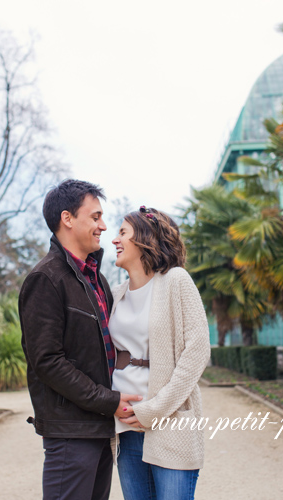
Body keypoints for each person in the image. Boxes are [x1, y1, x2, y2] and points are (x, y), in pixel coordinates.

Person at [18, 179, 142, 500]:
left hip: (100, 428)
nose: (103, 226)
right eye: (96, 216)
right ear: (67, 219)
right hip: (71, 432)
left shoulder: (96, 279)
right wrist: (109, 401)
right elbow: (47, 361)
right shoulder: (45, 279)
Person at [109, 206, 211, 500]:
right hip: (126, 425)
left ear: (144, 238)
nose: (114, 240)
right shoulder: (115, 294)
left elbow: (197, 352)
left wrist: (153, 410)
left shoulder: (176, 281)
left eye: (123, 233)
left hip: (171, 421)